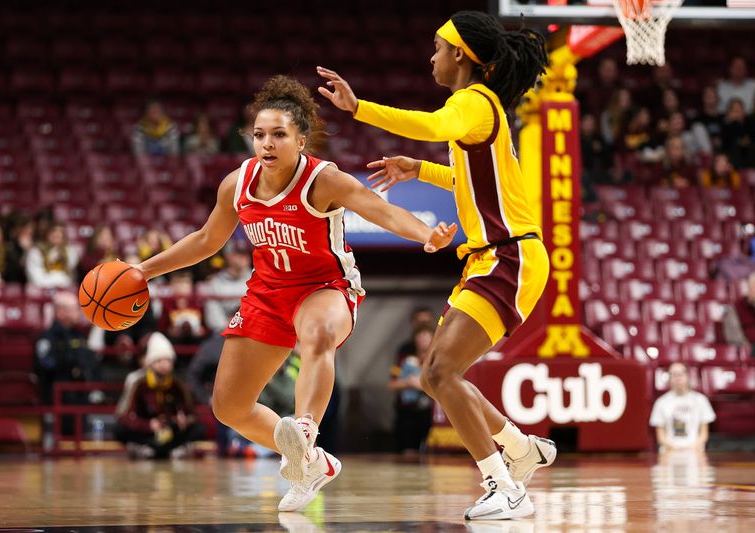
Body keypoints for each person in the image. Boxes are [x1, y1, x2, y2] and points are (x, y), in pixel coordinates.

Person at [132, 75, 456, 512]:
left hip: (326, 288)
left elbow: (380, 210)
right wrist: (143, 270)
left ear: (301, 140)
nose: (266, 143)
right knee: (229, 406)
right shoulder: (237, 184)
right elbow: (207, 239)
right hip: (267, 294)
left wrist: (426, 235)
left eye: (279, 135)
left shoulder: (324, 180)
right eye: (259, 135)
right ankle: (310, 462)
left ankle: (305, 429)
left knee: (318, 333)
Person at [317, 10, 555, 520]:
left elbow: (428, 124)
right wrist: (418, 169)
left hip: (508, 255)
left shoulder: (470, 102)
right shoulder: (478, 110)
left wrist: (359, 108)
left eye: (438, 48)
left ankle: (505, 487)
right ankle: (519, 448)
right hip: (496, 258)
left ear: (461, 55)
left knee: (442, 371)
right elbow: (469, 181)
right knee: (434, 375)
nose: (431, 57)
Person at [114, 332, 204, 459]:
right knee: (119, 429)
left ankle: (171, 450)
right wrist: (149, 425)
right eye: (159, 360)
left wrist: (183, 421)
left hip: (171, 432)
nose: (164, 365)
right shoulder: (140, 385)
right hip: (148, 433)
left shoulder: (178, 385)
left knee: (199, 429)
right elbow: (124, 416)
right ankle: (145, 449)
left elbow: (192, 414)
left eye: (168, 360)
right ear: (151, 363)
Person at [34, 291, 100, 405]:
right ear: (60, 312)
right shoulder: (47, 338)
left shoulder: (79, 336)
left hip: (80, 398)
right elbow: (46, 364)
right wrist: (70, 363)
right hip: (57, 401)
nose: (79, 313)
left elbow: (91, 361)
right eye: (75, 309)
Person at [389, 323, 434, 454]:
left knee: (430, 449)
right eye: (420, 336)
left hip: (430, 412)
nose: (423, 339)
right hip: (407, 411)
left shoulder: (437, 360)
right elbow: (392, 384)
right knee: (408, 449)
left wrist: (423, 386)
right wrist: (408, 382)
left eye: (427, 336)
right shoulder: (404, 359)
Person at [649, 362, 715, 452]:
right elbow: (661, 437)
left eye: (680, 374)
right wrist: (675, 449)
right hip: (669, 452)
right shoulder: (661, 402)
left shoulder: (701, 400)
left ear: (687, 375)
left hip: (695, 451)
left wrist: (692, 449)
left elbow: (704, 434)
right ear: (669, 378)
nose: (677, 377)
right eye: (673, 374)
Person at [203, 240, 252, 332]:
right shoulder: (215, 282)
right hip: (224, 332)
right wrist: (232, 325)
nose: (244, 257)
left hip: (252, 331)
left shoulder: (258, 279)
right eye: (239, 253)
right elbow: (213, 318)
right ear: (228, 256)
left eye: (246, 254)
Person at [25, 222, 79, 289]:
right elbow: (35, 278)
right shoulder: (35, 252)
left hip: (64, 290)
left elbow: (69, 278)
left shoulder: (70, 251)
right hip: (41, 290)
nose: (57, 234)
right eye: (53, 231)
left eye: (61, 232)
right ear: (46, 233)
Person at [722, 271, 755, 358]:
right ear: (749, 289)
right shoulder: (736, 308)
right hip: (748, 350)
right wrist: (747, 348)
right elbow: (733, 335)